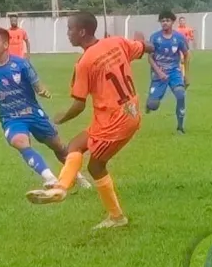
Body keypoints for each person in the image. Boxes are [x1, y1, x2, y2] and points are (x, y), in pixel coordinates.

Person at [25, 12, 154, 230]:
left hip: (116, 121)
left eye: (70, 29)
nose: (68, 34)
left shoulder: (85, 62)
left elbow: (79, 104)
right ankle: (61, 187)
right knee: (76, 145)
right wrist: (146, 43)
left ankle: (116, 217)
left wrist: (62, 118)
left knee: (96, 166)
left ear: (82, 31)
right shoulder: (117, 42)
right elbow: (145, 47)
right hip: (127, 113)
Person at [0, 28, 91, 189]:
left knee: (58, 147)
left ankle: (77, 176)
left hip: (34, 114)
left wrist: (42, 90)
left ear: (5, 45)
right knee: (20, 141)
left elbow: (37, 84)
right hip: (10, 118)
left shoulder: (21, 64)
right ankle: (50, 178)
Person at [146, 10, 190, 134]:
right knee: (153, 105)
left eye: (167, 20)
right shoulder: (155, 37)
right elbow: (150, 58)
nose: (165, 23)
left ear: (172, 22)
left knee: (181, 95)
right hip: (159, 72)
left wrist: (186, 75)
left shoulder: (179, 38)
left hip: (174, 72)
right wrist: (159, 72)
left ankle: (180, 127)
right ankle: (150, 102)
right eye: (163, 21)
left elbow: (186, 55)